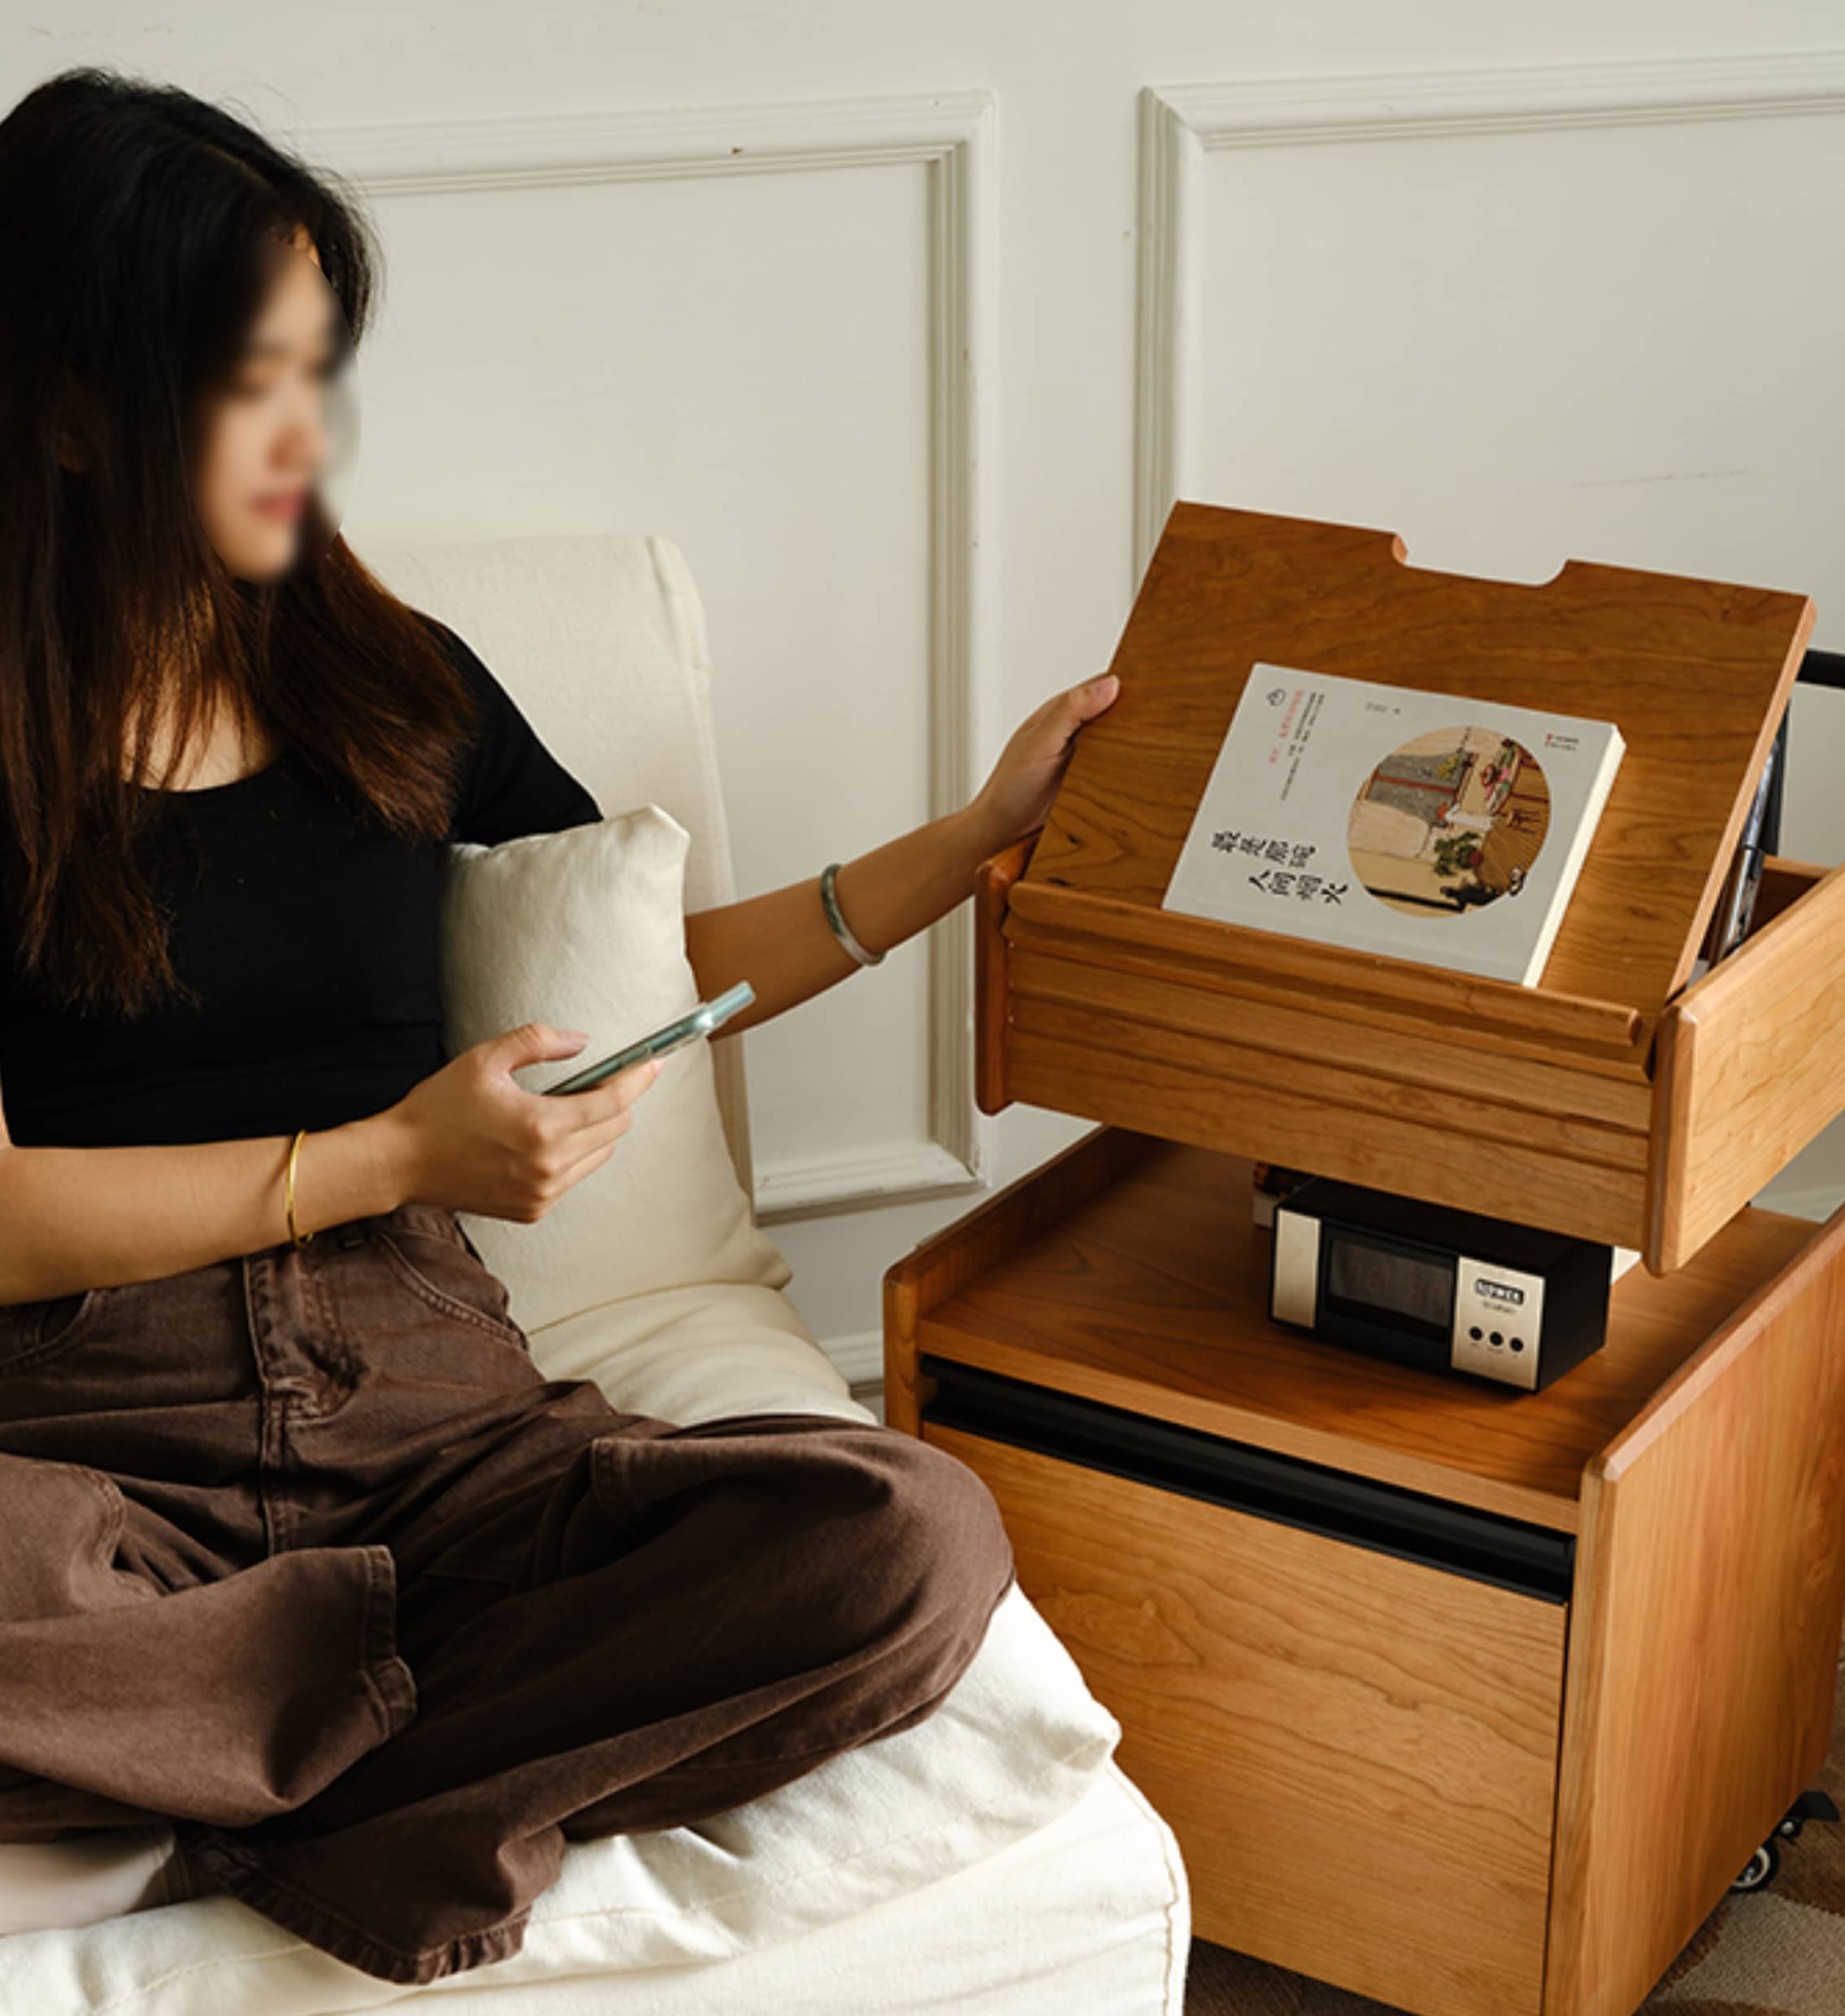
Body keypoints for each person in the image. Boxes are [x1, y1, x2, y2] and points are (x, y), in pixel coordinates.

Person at [0, 66, 1122, 1988]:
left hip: (435, 1418)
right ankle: (359, 1756)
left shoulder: (389, 677)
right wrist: (388, 1155)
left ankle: (247, 1774)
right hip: (100, 1438)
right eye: (249, 380)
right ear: (78, 413)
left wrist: (969, 840)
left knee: (908, 1542)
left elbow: (631, 955)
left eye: (315, 370)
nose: (308, 431)